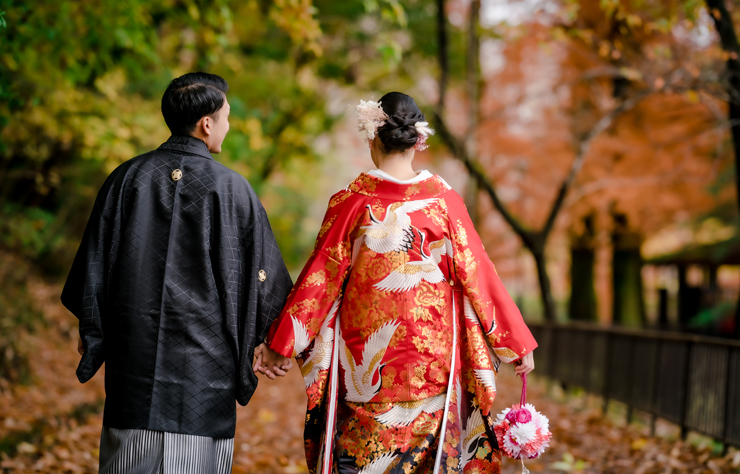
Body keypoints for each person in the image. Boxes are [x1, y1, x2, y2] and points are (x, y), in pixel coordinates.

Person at [260, 92, 537, 474]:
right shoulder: (444, 204)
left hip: (367, 376)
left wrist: (281, 343)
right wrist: (514, 341)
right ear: (418, 140)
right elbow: (479, 272)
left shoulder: (351, 203)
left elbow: (320, 277)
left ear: (372, 137)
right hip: (434, 370)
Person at [61, 72, 293, 474]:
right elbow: (262, 275)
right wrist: (271, 341)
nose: (228, 125)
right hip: (205, 371)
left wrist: (94, 330)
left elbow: (92, 269)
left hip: (134, 359)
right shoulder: (233, 189)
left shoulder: (126, 178)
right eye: (227, 117)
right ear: (207, 123)